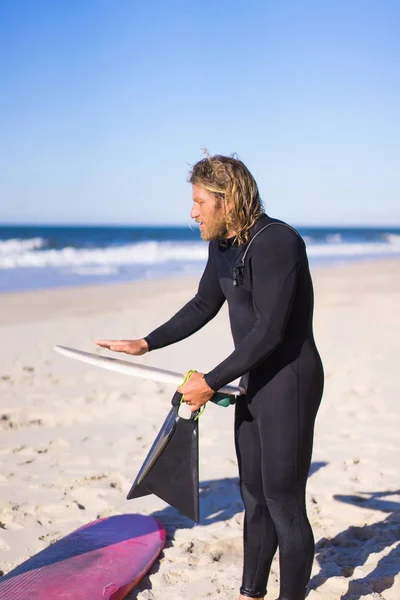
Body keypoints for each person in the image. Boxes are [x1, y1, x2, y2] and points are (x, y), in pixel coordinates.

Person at [95, 154, 324, 600]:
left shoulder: (278, 243)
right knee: (254, 497)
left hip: (290, 382)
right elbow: (204, 304)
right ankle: (250, 593)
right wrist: (147, 342)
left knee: (284, 503)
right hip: (253, 378)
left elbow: (272, 331)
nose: (192, 212)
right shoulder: (222, 245)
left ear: (228, 200)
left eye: (200, 202)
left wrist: (212, 380)